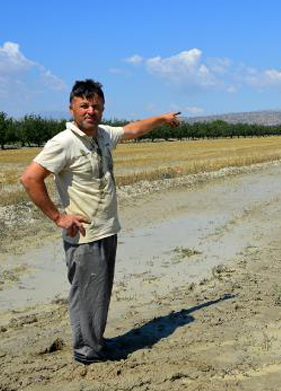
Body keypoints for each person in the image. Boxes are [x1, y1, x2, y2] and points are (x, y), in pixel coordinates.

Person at [20, 79, 181, 364]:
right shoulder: (63, 142)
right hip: (84, 234)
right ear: (71, 108)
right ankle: (87, 352)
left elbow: (133, 129)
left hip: (106, 228)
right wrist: (58, 217)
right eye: (84, 105)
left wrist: (160, 118)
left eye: (95, 105)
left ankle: (94, 341)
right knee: (86, 294)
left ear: (103, 109)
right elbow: (30, 178)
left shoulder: (103, 134)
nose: (90, 111)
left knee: (99, 293)